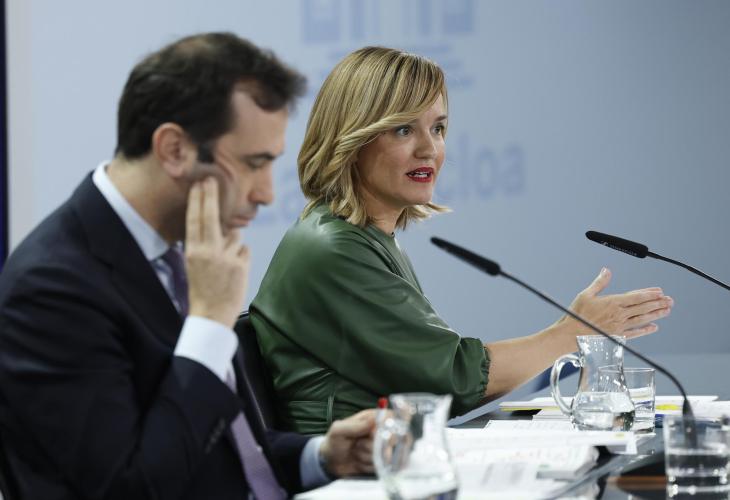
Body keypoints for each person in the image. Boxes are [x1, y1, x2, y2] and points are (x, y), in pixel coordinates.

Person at [0, 33, 374, 500]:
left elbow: (218, 452)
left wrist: (320, 456)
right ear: (174, 149)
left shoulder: (177, 253)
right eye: (253, 164)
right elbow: (129, 489)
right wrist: (209, 324)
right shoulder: (51, 289)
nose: (266, 193)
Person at [250, 46, 674, 436]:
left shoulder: (362, 237)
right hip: (354, 475)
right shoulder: (334, 249)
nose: (429, 149)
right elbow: (455, 380)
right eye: (403, 129)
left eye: (437, 128)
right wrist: (573, 333)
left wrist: (570, 334)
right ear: (352, 138)